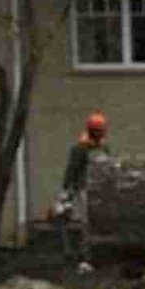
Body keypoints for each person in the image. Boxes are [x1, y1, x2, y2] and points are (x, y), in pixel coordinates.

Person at [55, 112, 110, 271]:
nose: (102, 133)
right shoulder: (80, 148)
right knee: (87, 223)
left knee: (100, 223)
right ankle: (86, 257)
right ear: (92, 130)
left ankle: (99, 254)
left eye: (103, 130)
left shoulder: (103, 148)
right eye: (99, 130)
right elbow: (71, 170)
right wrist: (66, 191)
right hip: (84, 189)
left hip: (101, 191)